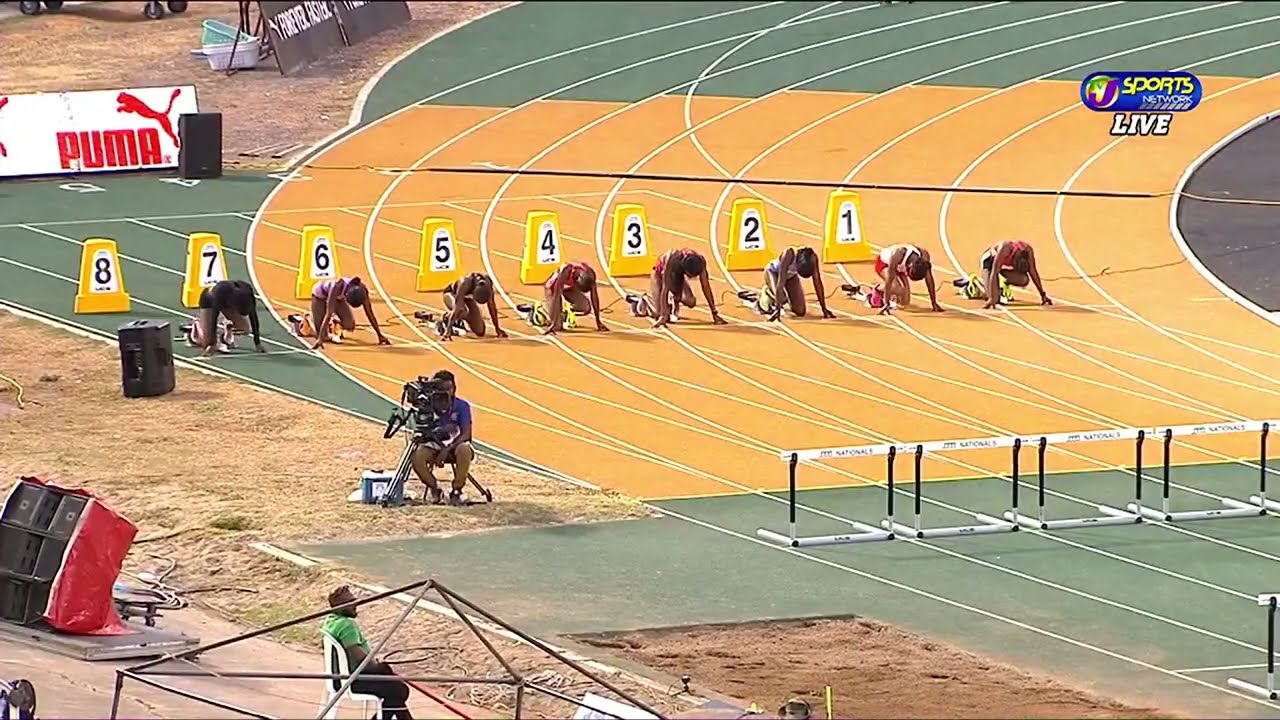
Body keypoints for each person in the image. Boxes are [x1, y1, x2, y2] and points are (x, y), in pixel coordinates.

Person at [321, 586, 414, 720]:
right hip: (353, 681)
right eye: (350, 602)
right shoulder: (347, 625)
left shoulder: (331, 621)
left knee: (396, 689)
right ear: (339, 607)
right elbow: (360, 659)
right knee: (399, 690)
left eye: (354, 600)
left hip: (338, 679)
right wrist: (379, 666)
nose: (355, 604)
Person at [409, 370, 476, 506]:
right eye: (442, 389)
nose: (447, 393)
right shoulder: (427, 405)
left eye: (449, 389)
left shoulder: (462, 406)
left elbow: (466, 434)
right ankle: (435, 488)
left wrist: (447, 449)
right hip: (433, 444)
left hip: (455, 445)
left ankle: (457, 490)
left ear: (454, 388)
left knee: (465, 449)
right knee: (417, 456)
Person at [627, 248, 726, 328]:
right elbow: (665, 289)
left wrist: (714, 312)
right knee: (657, 312)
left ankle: (673, 301)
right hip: (659, 275)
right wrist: (663, 316)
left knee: (690, 301)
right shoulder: (672, 259)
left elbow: (706, 286)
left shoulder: (700, 261)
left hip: (678, 277)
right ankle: (642, 300)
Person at [953, 239, 1053, 308]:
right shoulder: (1005, 249)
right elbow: (994, 271)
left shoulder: (1028, 250)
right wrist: (992, 298)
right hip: (990, 263)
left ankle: (999, 287)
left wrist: (1042, 294)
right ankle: (973, 284)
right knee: (993, 298)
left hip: (1000, 268)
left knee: (1024, 280)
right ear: (1014, 258)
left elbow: (1033, 272)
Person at [752, 246, 836, 321]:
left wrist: (824, 309)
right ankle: (767, 292)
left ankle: (780, 299)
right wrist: (777, 310)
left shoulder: (813, 258)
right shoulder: (788, 254)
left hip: (791, 276)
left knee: (800, 311)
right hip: (774, 273)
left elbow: (817, 282)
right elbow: (781, 283)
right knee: (782, 298)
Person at [858, 243, 942, 314]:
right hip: (885, 264)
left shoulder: (924, 257)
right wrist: (886, 304)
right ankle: (878, 289)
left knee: (905, 302)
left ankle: (892, 295)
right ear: (910, 266)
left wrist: (934, 302)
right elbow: (889, 281)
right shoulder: (898, 255)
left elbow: (929, 281)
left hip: (900, 268)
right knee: (896, 288)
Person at [310, 276, 390, 350]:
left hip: (338, 298)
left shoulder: (363, 290)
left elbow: (369, 313)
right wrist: (320, 339)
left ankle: (334, 323)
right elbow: (329, 313)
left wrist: (379, 335)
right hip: (319, 296)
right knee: (323, 336)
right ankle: (309, 320)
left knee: (349, 325)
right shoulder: (337, 286)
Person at [188, 279, 265, 356]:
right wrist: (212, 344)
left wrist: (257, 343)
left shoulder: (247, 293)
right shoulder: (220, 293)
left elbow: (254, 318)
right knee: (206, 341)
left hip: (228, 303)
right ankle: (195, 327)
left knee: (245, 329)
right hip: (209, 301)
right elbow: (214, 318)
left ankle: (225, 336)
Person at [541, 261, 606, 334]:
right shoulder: (565, 270)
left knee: (585, 308)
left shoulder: (590, 275)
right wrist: (554, 322)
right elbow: (557, 295)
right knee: (557, 327)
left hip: (570, 287)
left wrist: (598, 321)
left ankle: (563, 313)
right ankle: (544, 309)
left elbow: (594, 297)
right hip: (553, 288)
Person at [440, 273, 507, 341]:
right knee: (462, 310)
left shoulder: (488, 284)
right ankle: (447, 319)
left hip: (468, 299)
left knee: (480, 330)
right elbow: (457, 307)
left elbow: (492, 307)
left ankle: (460, 321)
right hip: (451, 295)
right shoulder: (465, 283)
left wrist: (497, 328)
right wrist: (448, 330)